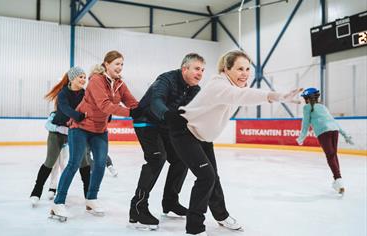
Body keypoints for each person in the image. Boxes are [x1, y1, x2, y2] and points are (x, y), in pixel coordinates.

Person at [165, 50, 302, 235]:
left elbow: (243, 93)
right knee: (206, 177)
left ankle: (221, 216)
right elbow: (242, 96)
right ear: (226, 69)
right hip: (184, 131)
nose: (245, 73)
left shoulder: (233, 86)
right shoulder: (219, 85)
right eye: (239, 69)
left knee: (214, 177)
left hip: (202, 136)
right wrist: (277, 96)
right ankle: (194, 228)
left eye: (247, 69)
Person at [51, 50, 140, 219]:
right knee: (74, 163)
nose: (120, 67)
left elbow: (132, 102)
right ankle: (58, 202)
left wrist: (145, 110)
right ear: (106, 64)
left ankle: (91, 199)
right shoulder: (96, 81)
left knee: (100, 164)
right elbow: (104, 105)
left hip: (99, 129)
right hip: (81, 127)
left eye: (122, 64)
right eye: (117, 64)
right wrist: (131, 112)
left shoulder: (120, 84)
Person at [129, 53, 205, 230]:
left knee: (181, 158)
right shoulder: (167, 79)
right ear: (184, 68)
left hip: (165, 125)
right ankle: (138, 208)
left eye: (202, 70)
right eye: (196, 68)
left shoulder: (195, 89)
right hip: (146, 120)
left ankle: (170, 202)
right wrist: (168, 115)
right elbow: (156, 101)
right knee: (157, 158)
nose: (200, 73)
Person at [29, 67, 91, 207]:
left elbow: (92, 107)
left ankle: (89, 196)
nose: (83, 79)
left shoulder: (85, 94)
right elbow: (65, 109)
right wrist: (79, 116)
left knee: (84, 162)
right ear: (72, 78)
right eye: (80, 76)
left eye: (84, 77)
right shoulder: (63, 93)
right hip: (57, 133)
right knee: (50, 161)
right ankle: (36, 191)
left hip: (75, 132)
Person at [296, 88, 354, 194]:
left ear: (307, 99)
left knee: (330, 156)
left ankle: (338, 179)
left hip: (323, 133)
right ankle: (338, 180)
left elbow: (305, 124)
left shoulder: (307, 107)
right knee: (333, 155)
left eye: (305, 98)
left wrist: (301, 138)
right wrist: (345, 135)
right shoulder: (323, 107)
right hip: (334, 130)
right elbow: (333, 121)